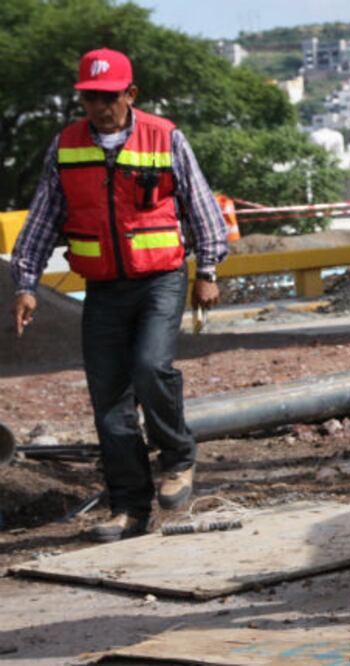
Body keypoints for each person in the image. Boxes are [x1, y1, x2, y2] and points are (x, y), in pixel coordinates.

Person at [10, 48, 228, 542]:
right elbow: (43, 218)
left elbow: (201, 208)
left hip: (161, 279)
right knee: (108, 403)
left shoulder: (164, 137)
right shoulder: (66, 146)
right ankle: (129, 507)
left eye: (108, 98)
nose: (98, 107)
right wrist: (25, 284)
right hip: (103, 289)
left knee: (151, 367)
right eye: (89, 97)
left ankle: (177, 458)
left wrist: (208, 269)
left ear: (130, 95)